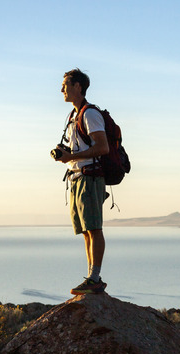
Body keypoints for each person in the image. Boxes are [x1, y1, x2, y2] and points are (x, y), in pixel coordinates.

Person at [54, 68, 109, 295]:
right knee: (86, 230)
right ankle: (90, 276)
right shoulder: (73, 116)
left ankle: (94, 277)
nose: (61, 89)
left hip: (90, 176)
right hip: (77, 178)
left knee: (94, 228)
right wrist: (64, 154)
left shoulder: (90, 114)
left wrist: (71, 157)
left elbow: (102, 147)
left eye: (65, 84)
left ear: (78, 87)